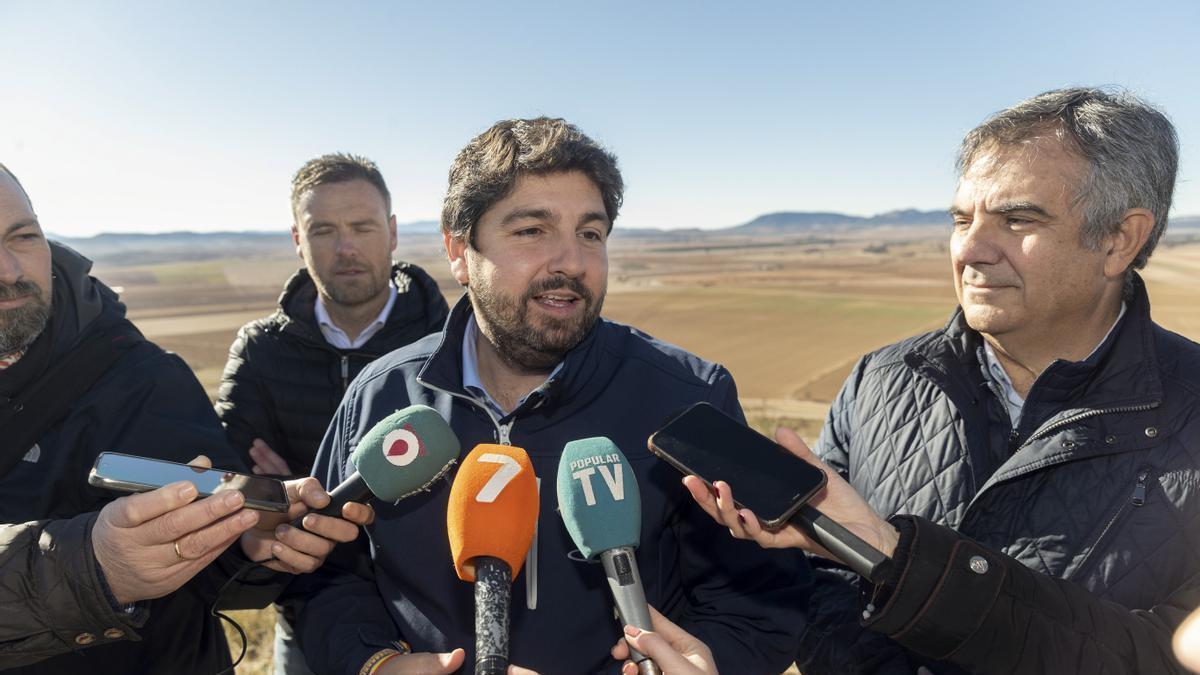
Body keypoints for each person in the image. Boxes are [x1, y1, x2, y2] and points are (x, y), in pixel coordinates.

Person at [688, 87, 1200, 674]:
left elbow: (1167, 658)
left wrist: (901, 565)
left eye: (1017, 219)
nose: (972, 249)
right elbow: (814, 585)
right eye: (963, 218)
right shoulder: (879, 379)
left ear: (1119, 239)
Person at [297, 117, 811, 675]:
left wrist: (704, 664)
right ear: (458, 250)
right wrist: (372, 664)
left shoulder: (687, 400)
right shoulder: (381, 396)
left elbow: (762, 604)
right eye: (532, 231)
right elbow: (328, 576)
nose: (571, 261)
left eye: (590, 233)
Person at [0, 162, 370, 674]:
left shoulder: (142, 377)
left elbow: (219, 562)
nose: (9, 270)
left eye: (22, 236)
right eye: (323, 230)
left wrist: (248, 541)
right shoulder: (262, 350)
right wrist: (94, 564)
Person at [214, 153, 448, 673]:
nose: (345, 248)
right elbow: (235, 481)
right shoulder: (259, 351)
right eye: (323, 230)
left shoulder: (450, 343)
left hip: (432, 610)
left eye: (362, 227)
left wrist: (301, 485)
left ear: (391, 232)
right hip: (306, 604)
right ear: (297, 239)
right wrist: (273, 496)